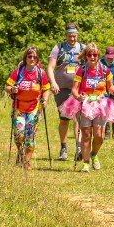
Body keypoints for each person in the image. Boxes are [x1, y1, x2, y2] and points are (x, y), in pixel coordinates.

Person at [59, 42, 114, 173]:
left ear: (98, 55)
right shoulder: (82, 70)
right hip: (84, 103)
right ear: (86, 56)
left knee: (99, 135)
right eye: (89, 55)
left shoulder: (105, 70)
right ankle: (86, 163)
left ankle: (94, 154)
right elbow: (74, 89)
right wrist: (78, 97)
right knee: (86, 134)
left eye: (95, 55)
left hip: (100, 103)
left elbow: (110, 87)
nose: (92, 57)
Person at [5, 47, 50, 170]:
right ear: (25, 58)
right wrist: (12, 89)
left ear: (37, 59)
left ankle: (26, 161)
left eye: (35, 57)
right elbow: (7, 86)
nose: (32, 59)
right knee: (19, 136)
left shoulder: (41, 73)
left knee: (30, 136)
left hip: (34, 108)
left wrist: (45, 100)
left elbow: (46, 88)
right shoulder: (18, 72)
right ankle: (20, 154)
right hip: (19, 107)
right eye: (30, 56)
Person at [47, 22, 84, 161]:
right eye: (70, 36)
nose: (72, 38)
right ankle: (63, 148)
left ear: (77, 35)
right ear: (66, 35)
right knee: (64, 119)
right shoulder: (58, 48)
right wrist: (53, 82)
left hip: (78, 89)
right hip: (61, 89)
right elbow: (50, 67)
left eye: (74, 36)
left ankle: (79, 147)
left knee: (78, 118)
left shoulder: (83, 48)